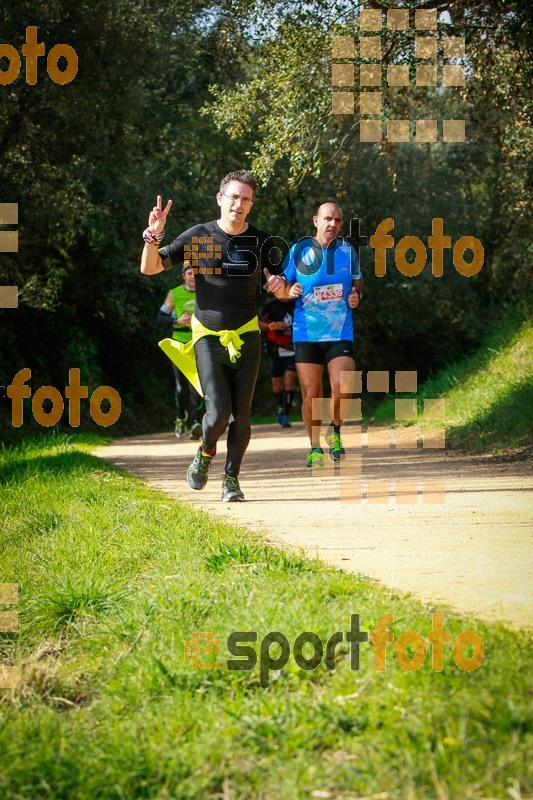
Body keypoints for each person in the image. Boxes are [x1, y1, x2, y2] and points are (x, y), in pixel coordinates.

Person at [140, 171, 280, 502]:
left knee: (241, 416)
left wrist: (282, 286)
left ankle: (231, 480)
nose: (239, 204)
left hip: (247, 335)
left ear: (251, 204)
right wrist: (153, 236)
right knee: (217, 415)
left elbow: (285, 286)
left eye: (246, 199)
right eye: (233, 197)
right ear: (220, 198)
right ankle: (205, 451)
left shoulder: (262, 241)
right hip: (207, 335)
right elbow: (150, 268)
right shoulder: (199, 236)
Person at [267, 202, 363, 469]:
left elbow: (358, 280)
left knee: (343, 385)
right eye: (328, 219)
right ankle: (314, 447)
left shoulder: (348, 251)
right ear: (316, 221)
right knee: (312, 394)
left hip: (340, 331)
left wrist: (357, 294)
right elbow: (282, 287)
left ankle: (335, 431)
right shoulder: (299, 251)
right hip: (306, 333)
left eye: (338, 220)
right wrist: (285, 292)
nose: (333, 224)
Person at [158, 262, 204, 439]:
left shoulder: (205, 292)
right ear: (184, 276)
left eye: (196, 274)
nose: (193, 277)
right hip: (179, 343)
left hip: (199, 342)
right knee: (181, 387)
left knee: (197, 384)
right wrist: (177, 321)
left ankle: (196, 422)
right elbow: (160, 317)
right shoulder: (174, 294)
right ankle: (180, 417)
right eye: (190, 273)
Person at [258, 297, 296, 427]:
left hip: (292, 346)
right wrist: (271, 326)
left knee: (290, 380)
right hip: (274, 348)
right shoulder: (271, 305)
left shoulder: (297, 303)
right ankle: (281, 407)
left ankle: (285, 413)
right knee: (277, 385)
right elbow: (257, 323)